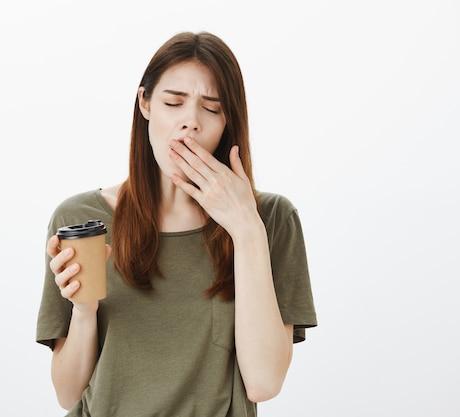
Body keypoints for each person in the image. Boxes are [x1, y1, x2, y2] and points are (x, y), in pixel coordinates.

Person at [36, 31, 317, 417]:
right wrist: (83, 312)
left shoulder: (270, 219)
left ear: (228, 122)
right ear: (145, 103)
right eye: (173, 102)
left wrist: (246, 229)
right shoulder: (81, 220)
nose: (191, 123)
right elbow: (68, 395)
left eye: (213, 108)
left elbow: (264, 382)